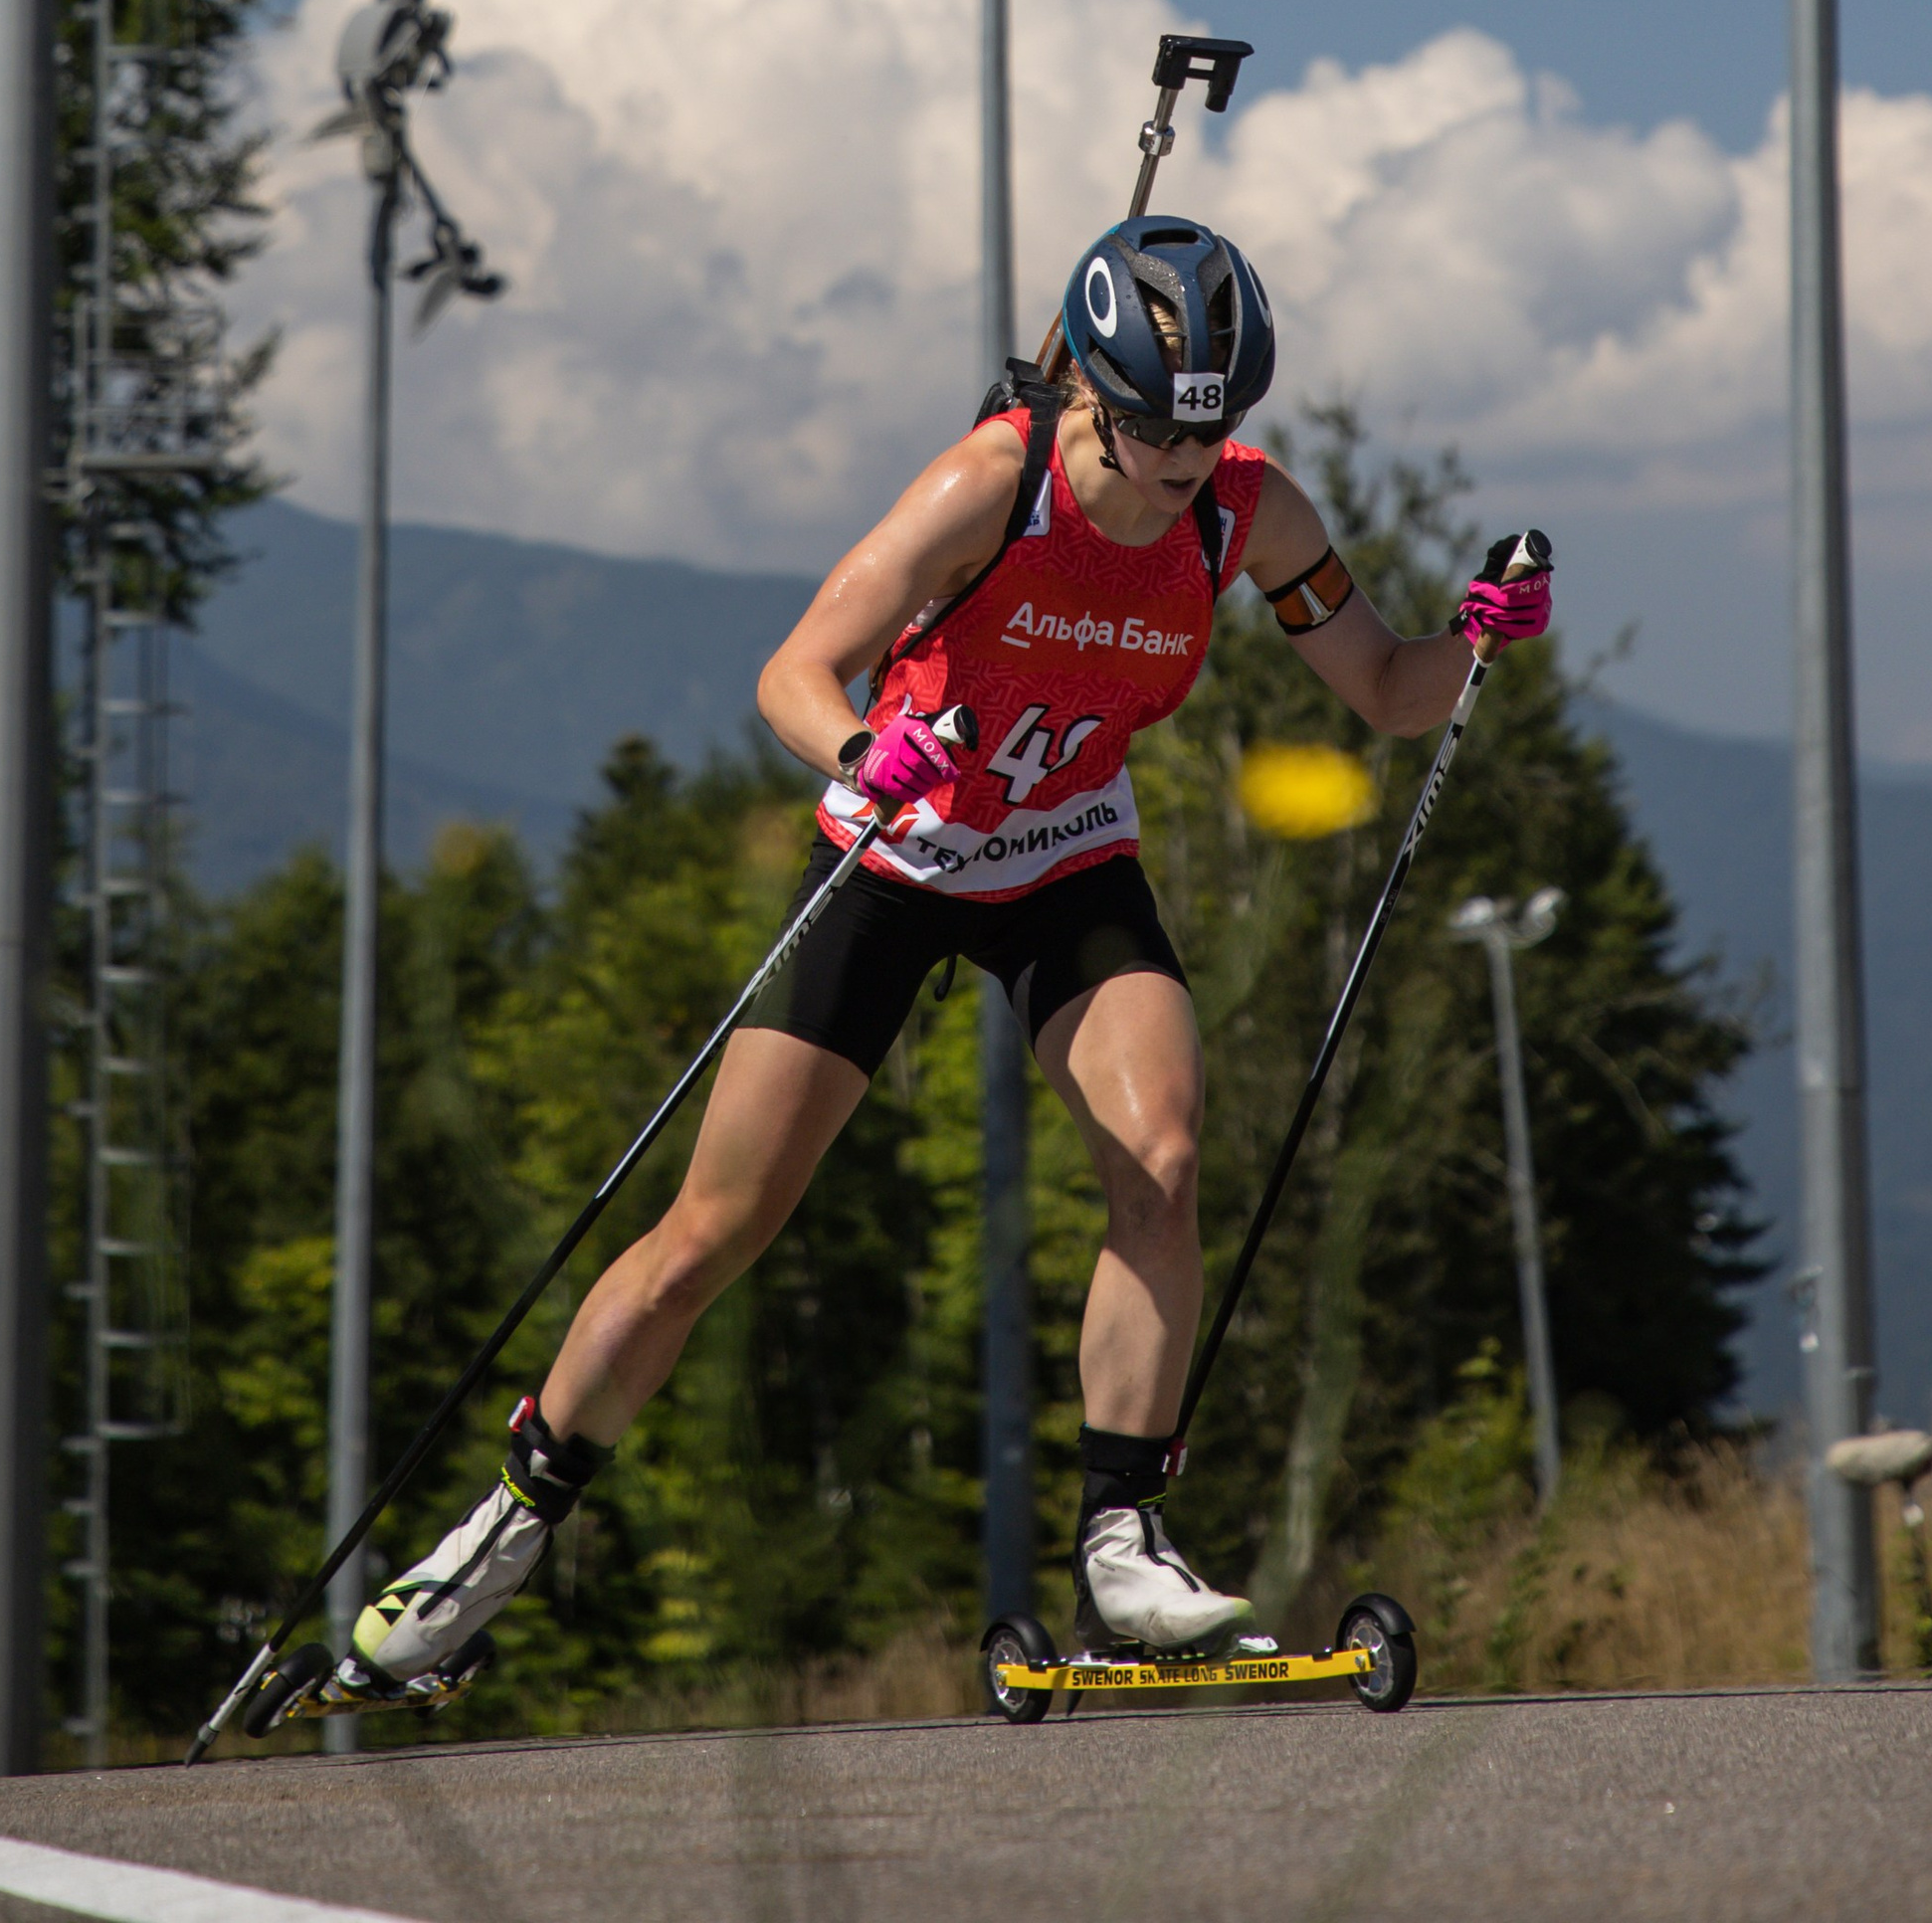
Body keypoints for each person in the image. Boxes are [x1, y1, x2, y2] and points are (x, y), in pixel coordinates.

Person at [327, 214, 1549, 1705]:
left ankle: (1123, 1538)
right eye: (1164, 428)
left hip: (1066, 859)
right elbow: (793, 671)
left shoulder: (1247, 509)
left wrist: (1475, 641)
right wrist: (863, 750)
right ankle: (500, 1534)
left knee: (1163, 1158)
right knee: (715, 1229)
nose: (1189, 460)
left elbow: (1389, 690)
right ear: (1094, 386)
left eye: (1215, 425)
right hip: (900, 860)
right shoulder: (993, 485)